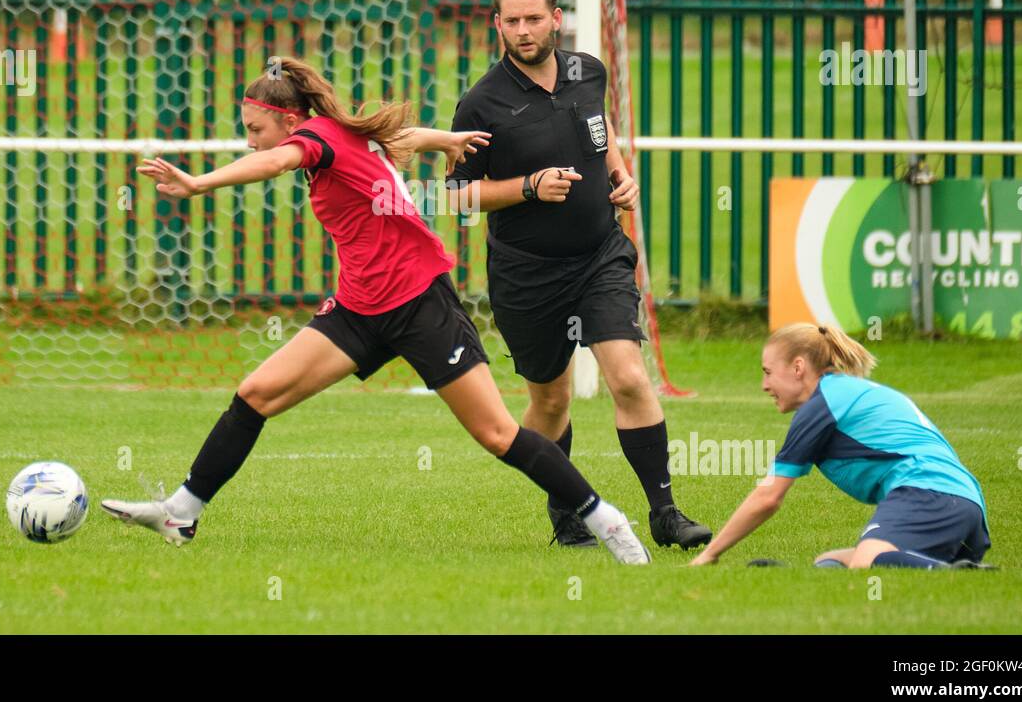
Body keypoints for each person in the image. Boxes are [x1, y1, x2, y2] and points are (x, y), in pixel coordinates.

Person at [102, 56, 654, 564]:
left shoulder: (310, 140)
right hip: (360, 309)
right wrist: (448, 139)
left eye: (253, 128)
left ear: (289, 123)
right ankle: (182, 513)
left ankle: (603, 518)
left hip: (419, 303)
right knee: (255, 396)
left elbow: (276, 161)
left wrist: (199, 183)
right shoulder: (341, 132)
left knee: (497, 435)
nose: (250, 141)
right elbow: (399, 134)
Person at [445, 0, 710, 551]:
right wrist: (528, 186)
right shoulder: (481, 103)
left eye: (533, 18)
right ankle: (566, 515)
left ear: (555, 18)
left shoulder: (589, 70)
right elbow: (457, 195)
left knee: (630, 377)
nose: (522, 30)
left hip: (600, 254)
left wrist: (619, 171)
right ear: (496, 25)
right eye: (510, 21)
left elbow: (600, 127)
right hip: (526, 273)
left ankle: (665, 513)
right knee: (552, 400)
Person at [690, 322, 993, 570]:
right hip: (966, 508)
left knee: (866, 559)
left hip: (929, 494)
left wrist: (709, 554)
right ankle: (945, 567)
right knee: (830, 562)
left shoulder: (824, 404)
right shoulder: (842, 393)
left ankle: (952, 573)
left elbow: (769, 496)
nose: (764, 385)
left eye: (768, 372)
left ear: (798, 367)